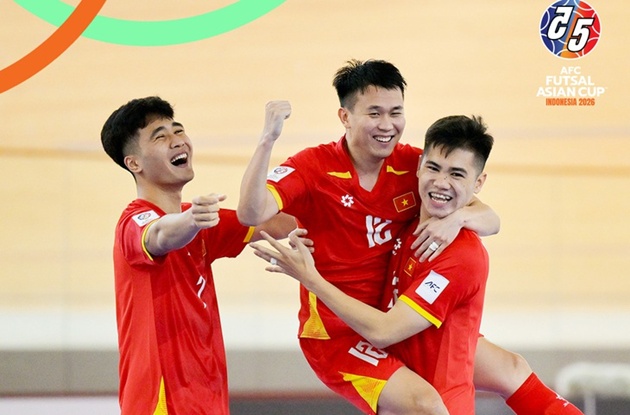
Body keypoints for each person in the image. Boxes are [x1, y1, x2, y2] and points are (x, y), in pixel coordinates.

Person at [239, 60, 584, 414]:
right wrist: (267, 140)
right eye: (374, 113)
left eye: (396, 113)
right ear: (345, 117)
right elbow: (250, 213)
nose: (387, 125)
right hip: (340, 333)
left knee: (511, 369)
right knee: (425, 404)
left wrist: (458, 218)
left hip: (397, 318)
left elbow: (490, 218)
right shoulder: (313, 167)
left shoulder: (415, 166)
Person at [253, 113, 494, 413]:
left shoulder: (460, 251)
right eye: (433, 168)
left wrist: (309, 277)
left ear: (478, 182)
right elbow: (256, 216)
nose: (441, 182)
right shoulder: (415, 211)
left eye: (396, 112)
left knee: (493, 374)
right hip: (349, 339)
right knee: (452, 391)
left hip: (387, 337)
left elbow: (385, 331)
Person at [100, 96, 298, 415]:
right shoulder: (133, 222)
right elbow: (160, 235)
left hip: (208, 401)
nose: (178, 140)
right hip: (160, 404)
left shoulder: (201, 224)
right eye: (160, 137)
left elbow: (275, 223)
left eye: (178, 130)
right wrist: (191, 220)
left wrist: (269, 143)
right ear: (134, 163)